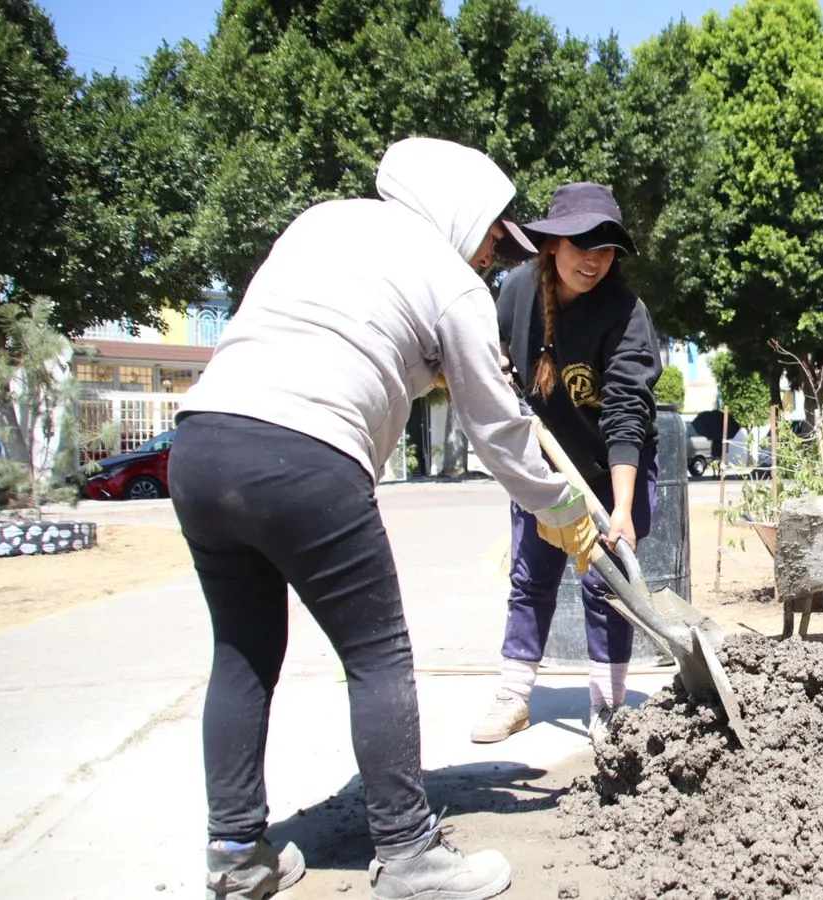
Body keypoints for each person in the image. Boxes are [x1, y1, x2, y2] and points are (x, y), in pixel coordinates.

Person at [170, 137, 598, 900]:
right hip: (305, 453)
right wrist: (558, 505)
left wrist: (421, 367)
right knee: (377, 654)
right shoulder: (450, 279)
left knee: (241, 653)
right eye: (495, 238)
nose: (492, 259)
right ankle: (408, 857)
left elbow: (328, 331)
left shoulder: (322, 222)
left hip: (204, 444)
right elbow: (497, 428)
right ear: (464, 212)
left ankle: (236, 853)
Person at [471, 182, 663, 746]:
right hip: (543, 470)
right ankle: (514, 694)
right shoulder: (516, 292)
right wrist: (498, 366)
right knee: (531, 577)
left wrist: (622, 508)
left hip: (612, 472)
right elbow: (492, 361)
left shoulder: (627, 314)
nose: (594, 258)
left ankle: (607, 706)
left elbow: (627, 412)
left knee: (606, 584)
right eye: (580, 243)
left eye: (605, 247)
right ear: (551, 245)